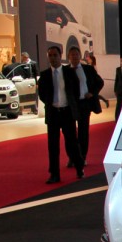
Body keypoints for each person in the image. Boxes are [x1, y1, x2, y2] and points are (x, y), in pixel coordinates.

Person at [38, 45, 85, 183]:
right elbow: (42, 94)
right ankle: (54, 174)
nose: (52, 58)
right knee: (52, 145)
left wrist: (71, 105)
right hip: (53, 113)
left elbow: (75, 91)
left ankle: (79, 168)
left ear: (60, 56)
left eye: (55, 55)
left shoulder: (69, 72)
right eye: (50, 55)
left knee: (72, 143)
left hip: (67, 113)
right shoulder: (45, 75)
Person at [66, 46, 104, 167]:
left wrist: (92, 93)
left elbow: (100, 82)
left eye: (76, 54)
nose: (74, 57)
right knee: (70, 133)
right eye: (72, 55)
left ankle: (82, 157)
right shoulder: (65, 70)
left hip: (84, 104)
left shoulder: (88, 69)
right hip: (70, 106)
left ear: (80, 56)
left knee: (83, 132)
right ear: (68, 57)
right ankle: (72, 158)